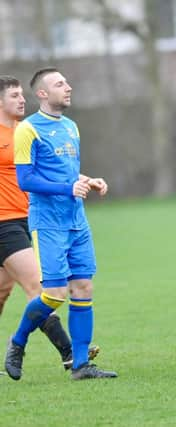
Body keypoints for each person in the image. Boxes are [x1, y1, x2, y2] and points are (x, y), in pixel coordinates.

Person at [5, 67, 116, 380]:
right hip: (48, 222)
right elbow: (26, 180)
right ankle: (18, 341)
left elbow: (65, 173)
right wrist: (69, 188)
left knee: (83, 286)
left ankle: (81, 366)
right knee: (54, 293)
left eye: (67, 82)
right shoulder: (27, 129)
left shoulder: (71, 127)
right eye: (59, 84)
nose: (68, 87)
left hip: (76, 220)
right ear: (42, 93)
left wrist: (87, 180)